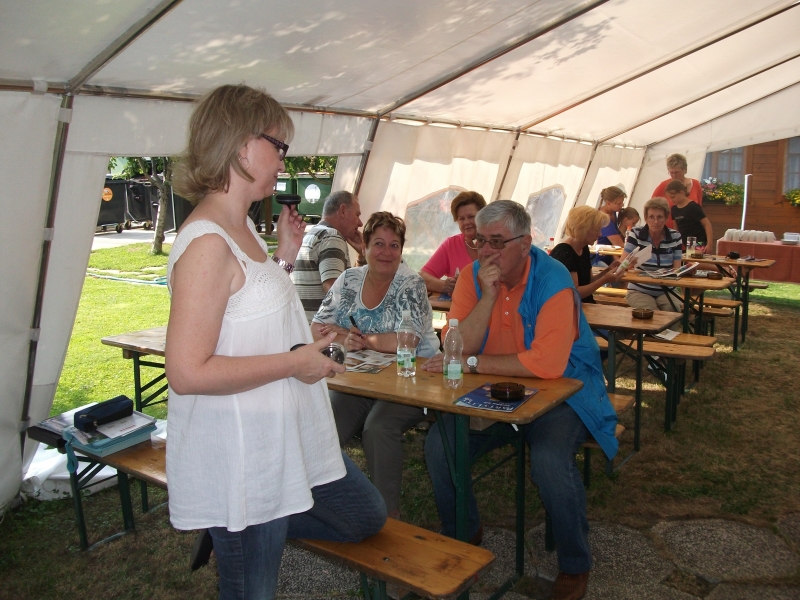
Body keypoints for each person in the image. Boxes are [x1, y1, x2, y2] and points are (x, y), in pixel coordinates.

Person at [165, 84, 386, 600]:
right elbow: (187, 372)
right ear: (243, 145)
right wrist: (294, 363)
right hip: (245, 453)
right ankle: (234, 525)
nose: (284, 160)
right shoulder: (207, 243)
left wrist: (301, 321)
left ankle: (237, 533)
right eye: (278, 146)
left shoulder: (240, 224)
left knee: (363, 515)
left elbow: (246, 314)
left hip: (284, 430)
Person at [421, 200, 618, 600]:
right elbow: (455, 345)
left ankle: (575, 563)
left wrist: (473, 364)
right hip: (493, 391)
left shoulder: (554, 277)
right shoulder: (471, 276)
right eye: (480, 241)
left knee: (550, 462)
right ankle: (464, 531)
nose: (486, 251)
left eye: (497, 242)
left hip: (561, 390)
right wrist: (488, 297)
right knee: (440, 446)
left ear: (526, 243)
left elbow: (547, 364)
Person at [312, 211, 440, 519]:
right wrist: (346, 337)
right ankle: (317, 502)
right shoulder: (349, 279)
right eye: (379, 243)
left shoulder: (410, 283)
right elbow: (316, 328)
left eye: (394, 245)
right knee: (325, 421)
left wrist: (361, 339)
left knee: (379, 428)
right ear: (365, 247)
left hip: (415, 377)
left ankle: (387, 517)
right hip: (360, 379)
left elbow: (406, 341)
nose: (386, 252)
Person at [292, 190, 363, 321]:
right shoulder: (332, 236)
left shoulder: (313, 234)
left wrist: (362, 255)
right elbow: (333, 289)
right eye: (357, 215)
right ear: (343, 211)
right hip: (323, 329)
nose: (360, 223)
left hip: (306, 326)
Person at [550, 206, 625, 303]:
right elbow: (576, 293)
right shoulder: (564, 253)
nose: (600, 234)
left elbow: (589, 281)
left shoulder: (583, 248)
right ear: (584, 228)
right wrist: (604, 280)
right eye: (597, 230)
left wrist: (607, 271)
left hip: (583, 304)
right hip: (570, 307)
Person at [621, 197, 683, 312]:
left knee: (672, 310)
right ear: (645, 217)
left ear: (666, 218)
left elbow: (676, 269)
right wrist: (629, 264)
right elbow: (622, 264)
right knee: (649, 312)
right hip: (639, 289)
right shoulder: (636, 233)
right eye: (651, 217)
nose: (655, 221)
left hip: (667, 290)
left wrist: (686, 270)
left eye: (660, 217)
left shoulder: (675, 236)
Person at [419, 191, 487, 296]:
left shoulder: (497, 243)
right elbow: (422, 277)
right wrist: (444, 285)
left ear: (483, 217)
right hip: (460, 305)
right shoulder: (451, 245)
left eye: (471, 217)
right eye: (461, 218)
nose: (466, 222)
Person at [651, 153, 703, 228]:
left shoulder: (696, 184)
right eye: (671, 172)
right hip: (669, 230)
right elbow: (651, 207)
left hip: (693, 229)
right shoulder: (664, 186)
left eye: (677, 172)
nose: (674, 175)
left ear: (685, 170)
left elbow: (699, 209)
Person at [666, 180, 713, 252]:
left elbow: (707, 224)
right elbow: (676, 229)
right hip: (687, 243)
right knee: (689, 257)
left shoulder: (693, 206)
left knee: (696, 258)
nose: (671, 200)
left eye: (673, 197)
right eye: (670, 198)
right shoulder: (674, 209)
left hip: (699, 240)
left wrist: (709, 244)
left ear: (681, 192)